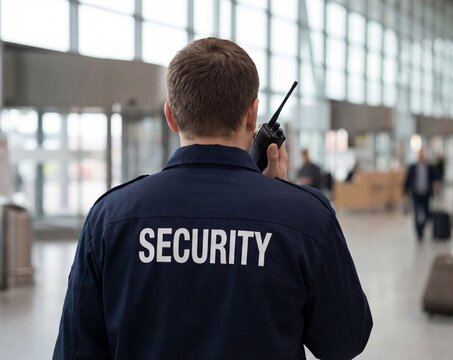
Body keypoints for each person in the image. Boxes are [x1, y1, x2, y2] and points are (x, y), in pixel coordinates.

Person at [53, 38, 372, 359]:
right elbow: (345, 341)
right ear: (252, 116)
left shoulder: (110, 218)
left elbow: (75, 351)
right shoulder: (306, 217)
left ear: (171, 116)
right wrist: (282, 207)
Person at [403, 149, 438, 242]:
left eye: (423, 155)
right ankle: (418, 232)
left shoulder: (429, 167)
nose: (421, 156)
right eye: (420, 155)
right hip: (416, 194)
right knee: (417, 214)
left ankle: (421, 228)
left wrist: (436, 185)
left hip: (426, 194)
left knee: (427, 214)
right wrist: (405, 193)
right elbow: (407, 180)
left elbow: (436, 177)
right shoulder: (412, 167)